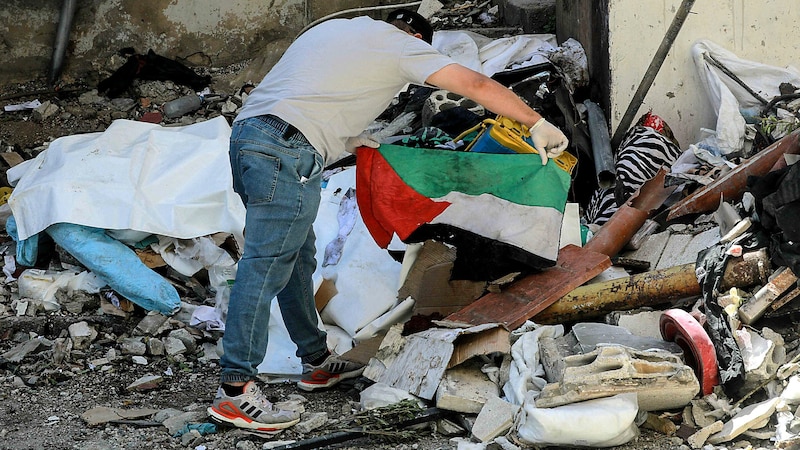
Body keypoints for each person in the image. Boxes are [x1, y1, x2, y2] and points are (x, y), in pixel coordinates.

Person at [207, 8, 569, 431]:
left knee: (295, 259)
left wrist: (344, 140)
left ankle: (316, 358)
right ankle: (236, 389)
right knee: (266, 264)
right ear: (416, 37)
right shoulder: (400, 45)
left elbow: (307, 92)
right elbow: (471, 83)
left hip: (251, 139)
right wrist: (535, 120)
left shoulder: (333, 29)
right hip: (287, 153)